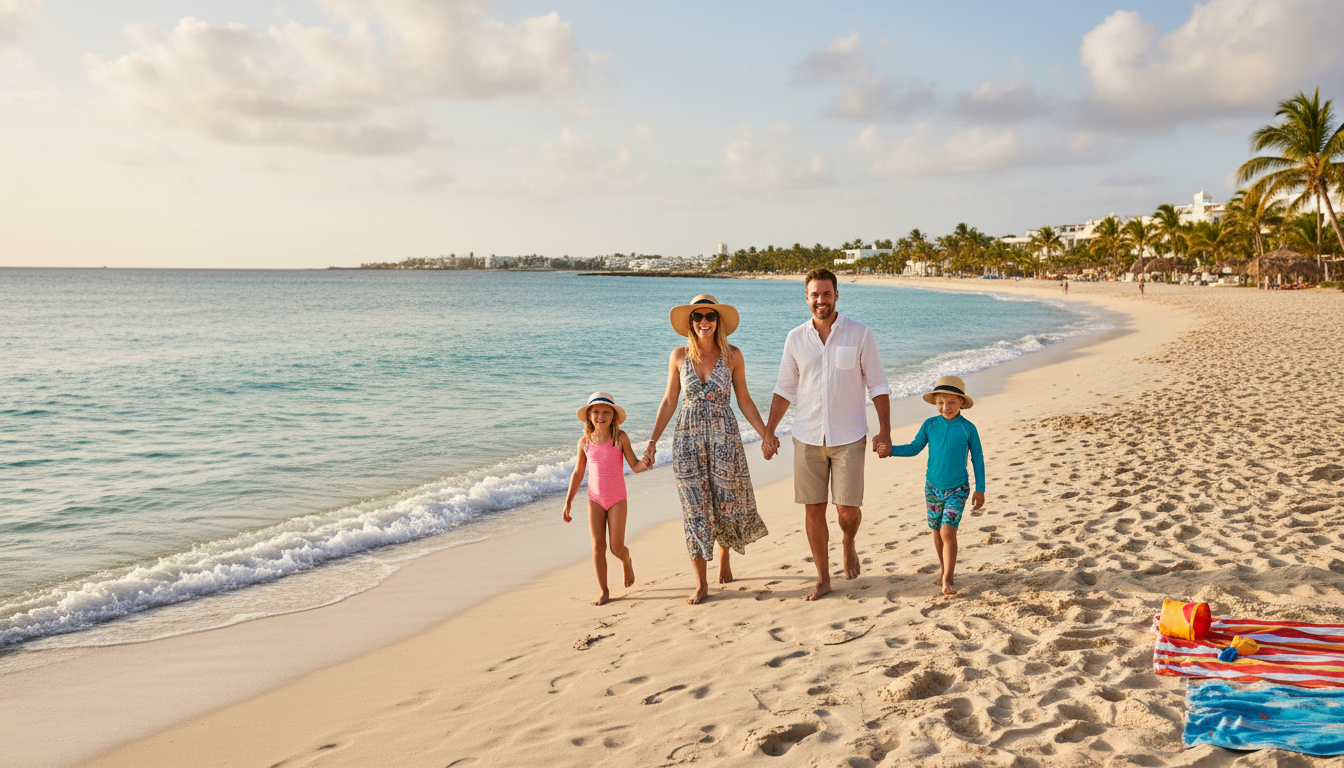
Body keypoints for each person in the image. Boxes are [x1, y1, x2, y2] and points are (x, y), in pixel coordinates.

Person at [764, 268, 892, 601]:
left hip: (849, 435)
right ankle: (823, 577)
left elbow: (878, 385)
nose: (821, 300)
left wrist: (885, 432)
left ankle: (848, 541)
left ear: (837, 295)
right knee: (813, 509)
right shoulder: (795, 338)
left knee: (847, 510)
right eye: (815, 295)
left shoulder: (860, 334)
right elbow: (784, 388)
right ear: (806, 298)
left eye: (826, 293)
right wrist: (769, 431)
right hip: (806, 436)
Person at [645, 295, 772, 605]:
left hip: (724, 438)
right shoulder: (678, 356)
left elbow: (744, 400)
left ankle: (725, 555)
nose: (704, 321)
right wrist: (651, 442)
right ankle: (701, 583)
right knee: (695, 510)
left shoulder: (733, 356)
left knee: (725, 501)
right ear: (691, 322)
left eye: (709, 316)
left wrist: (766, 434)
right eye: (698, 316)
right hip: (686, 441)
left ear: (718, 321)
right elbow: (668, 402)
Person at [886, 375, 985, 596]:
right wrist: (890, 450)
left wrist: (981, 488)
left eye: (951, 402)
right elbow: (914, 448)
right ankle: (943, 570)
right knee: (936, 531)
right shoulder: (930, 424)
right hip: (932, 488)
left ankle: (948, 580)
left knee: (948, 531)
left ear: (961, 402)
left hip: (958, 489)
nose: (945, 407)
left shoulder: (968, 428)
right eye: (940, 402)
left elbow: (977, 458)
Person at [563, 392, 649, 606]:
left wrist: (646, 463)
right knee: (597, 546)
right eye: (596, 412)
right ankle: (604, 591)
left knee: (616, 547)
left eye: (606, 412)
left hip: (617, 498)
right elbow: (578, 473)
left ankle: (626, 560)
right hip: (594, 499)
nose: (601, 416)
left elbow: (635, 465)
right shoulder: (584, 442)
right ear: (589, 416)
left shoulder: (620, 438)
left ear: (613, 416)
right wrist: (568, 501)